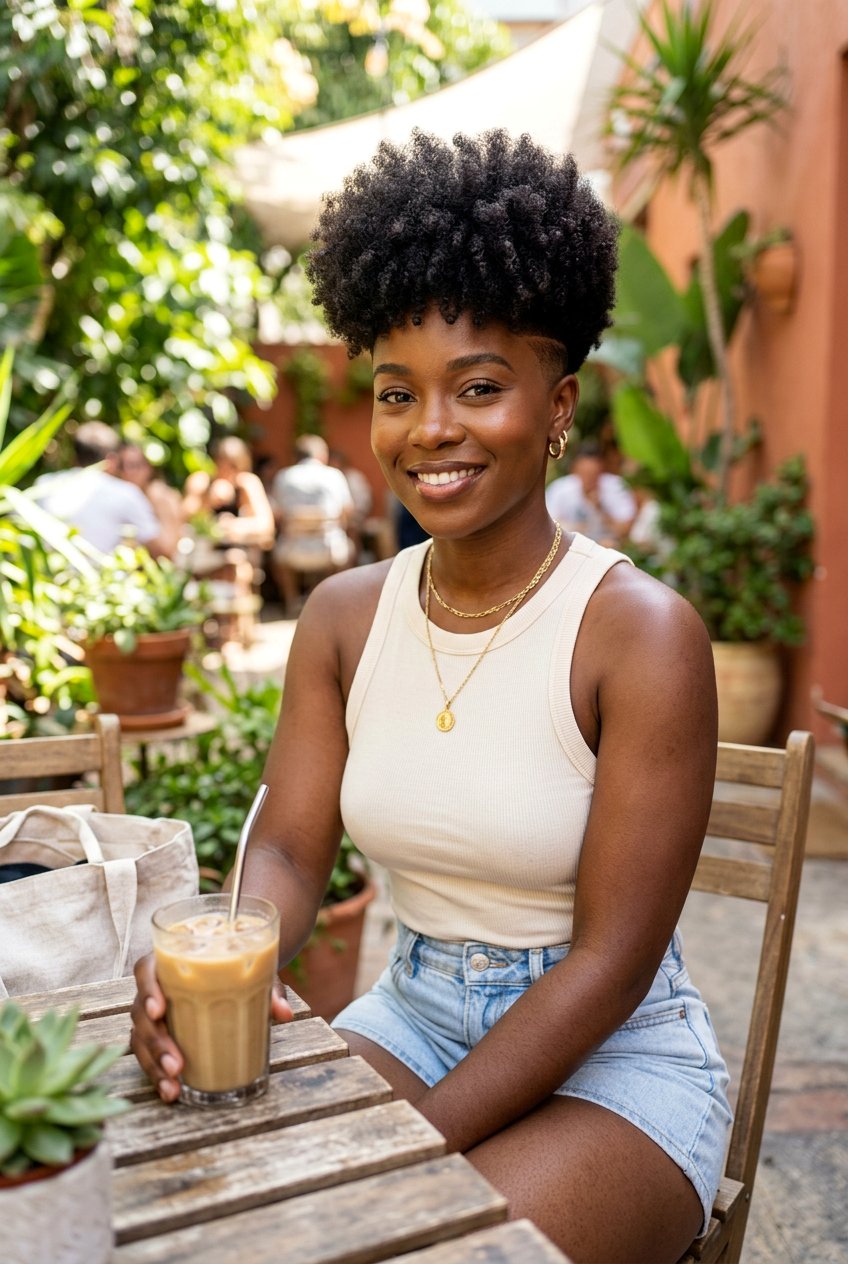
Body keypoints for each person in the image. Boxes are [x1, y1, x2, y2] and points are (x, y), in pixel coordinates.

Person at [130, 130, 730, 1264]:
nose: (431, 428)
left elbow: (607, 965)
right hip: (410, 1015)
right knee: (211, 1210)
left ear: (558, 406)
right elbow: (293, 853)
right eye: (397, 392)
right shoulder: (344, 617)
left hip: (614, 1060)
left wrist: (397, 1148)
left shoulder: (638, 635)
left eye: (481, 387)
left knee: (407, 1241)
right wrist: (227, 961)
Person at [34, 421, 166, 555]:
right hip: (103, 574)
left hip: (46, 572)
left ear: (74, 457)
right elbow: (157, 547)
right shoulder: (126, 493)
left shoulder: (43, 485)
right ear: (111, 460)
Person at [269, 434, 355, 613]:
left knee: (275, 555)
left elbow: (276, 514)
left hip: (291, 551)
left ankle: (291, 601)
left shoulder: (283, 477)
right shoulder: (334, 475)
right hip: (330, 550)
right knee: (350, 548)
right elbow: (347, 511)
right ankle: (337, 602)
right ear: (321, 455)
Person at [182, 435, 275, 552]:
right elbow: (184, 518)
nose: (226, 472)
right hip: (202, 551)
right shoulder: (200, 482)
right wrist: (208, 501)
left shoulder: (247, 483)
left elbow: (266, 526)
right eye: (222, 465)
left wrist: (234, 526)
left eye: (232, 467)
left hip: (236, 551)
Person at [545, 439, 636, 545]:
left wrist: (600, 509)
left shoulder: (617, 487)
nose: (589, 479)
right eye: (585, 473)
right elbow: (548, 526)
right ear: (575, 469)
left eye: (593, 474)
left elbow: (625, 530)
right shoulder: (560, 489)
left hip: (607, 546)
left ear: (602, 470)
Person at [116, 444, 185, 558]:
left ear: (148, 467)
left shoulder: (157, 494)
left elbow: (168, 547)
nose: (128, 472)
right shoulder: (131, 495)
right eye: (122, 466)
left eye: (134, 465)